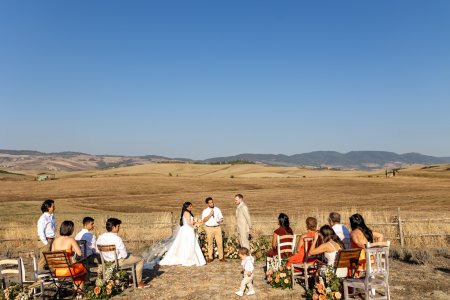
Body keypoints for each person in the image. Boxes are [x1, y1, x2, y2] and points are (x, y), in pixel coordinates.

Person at [96, 218, 146, 288]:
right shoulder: (117, 239)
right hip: (117, 262)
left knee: (131, 256)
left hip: (106, 262)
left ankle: (130, 278)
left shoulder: (100, 237)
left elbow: (97, 250)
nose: (119, 228)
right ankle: (139, 282)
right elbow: (125, 255)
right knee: (141, 259)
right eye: (118, 226)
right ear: (113, 227)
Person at [159, 202, 206, 267]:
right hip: (187, 230)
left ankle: (190, 258)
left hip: (188, 229)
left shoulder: (187, 213)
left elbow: (190, 222)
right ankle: (188, 259)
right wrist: (195, 226)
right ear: (186, 207)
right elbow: (189, 223)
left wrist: (195, 223)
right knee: (189, 243)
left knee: (188, 243)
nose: (191, 207)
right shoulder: (186, 213)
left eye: (191, 206)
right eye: (190, 206)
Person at [51, 221, 87, 298]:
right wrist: (74, 249)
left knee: (76, 268)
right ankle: (79, 292)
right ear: (70, 229)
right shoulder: (71, 240)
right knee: (81, 268)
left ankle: (77, 290)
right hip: (67, 270)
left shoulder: (55, 241)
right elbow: (80, 253)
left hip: (56, 271)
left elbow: (53, 255)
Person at [201, 197, 225, 262]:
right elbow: (204, 220)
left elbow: (221, 217)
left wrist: (221, 219)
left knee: (220, 243)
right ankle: (210, 257)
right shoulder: (205, 211)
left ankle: (221, 257)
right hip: (209, 228)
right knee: (210, 243)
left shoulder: (217, 209)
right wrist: (210, 215)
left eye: (212, 202)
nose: (211, 204)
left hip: (217, 227)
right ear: (207, 204)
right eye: (210, 203)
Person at [37, 199, 56, 271]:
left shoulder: (52, 217)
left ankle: (49, 278)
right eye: (53, 206)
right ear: (48, 208)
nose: (54, 207)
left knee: (50, 260)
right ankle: (40, 280)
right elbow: (40, 231)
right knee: (43, 261)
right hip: (45, 240)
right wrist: (46, 243)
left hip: (51, 240)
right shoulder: (43, 218)